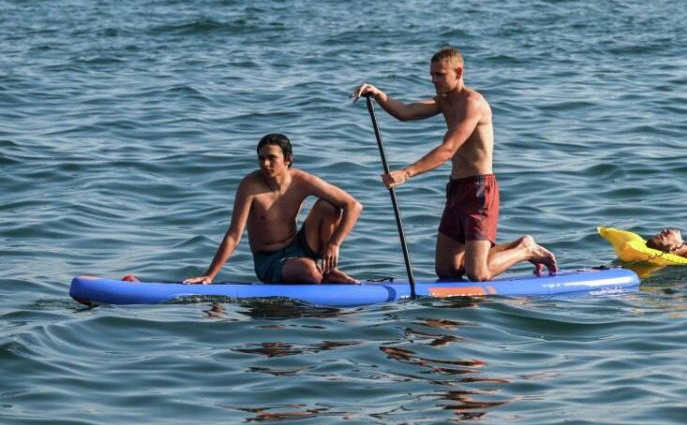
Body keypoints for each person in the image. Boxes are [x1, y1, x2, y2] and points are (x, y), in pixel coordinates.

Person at [352, 46, 558, 282]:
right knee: (448, 270)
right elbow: (406, 112)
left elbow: (448, 150)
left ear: (458, 72)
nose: (434, 80)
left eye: (440, 75)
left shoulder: (473, 104)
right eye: (431, 75)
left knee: (477, 274)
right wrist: (378, 94)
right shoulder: (444, 101)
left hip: (480, 190)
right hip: (456, 189)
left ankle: (526, 250)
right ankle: (518, 244)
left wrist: (406, 174)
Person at [184, 134, 363, 285]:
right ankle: (315, 272)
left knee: (328, 206)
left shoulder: (302, 181)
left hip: (299, 246)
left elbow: (353, 205)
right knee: (311, 272)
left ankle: (330, 270)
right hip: (269, 261)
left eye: (271, 158)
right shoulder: (250, 186)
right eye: (261, 158)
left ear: (288, 160)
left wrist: (334, 244)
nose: (265, 164)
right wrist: (210, 275)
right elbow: (234, 235)